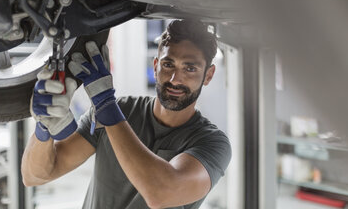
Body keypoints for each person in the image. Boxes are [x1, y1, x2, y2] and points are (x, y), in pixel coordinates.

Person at [21, 20, 232, 209]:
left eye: (190, 68)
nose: (176, 79)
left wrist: (107, 108)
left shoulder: (212, 143)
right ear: (156, 66)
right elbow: (35, 176)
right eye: (168, 65)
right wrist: (43, 129)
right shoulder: (123, 109)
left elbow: (160, 194)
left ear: (208, 75)